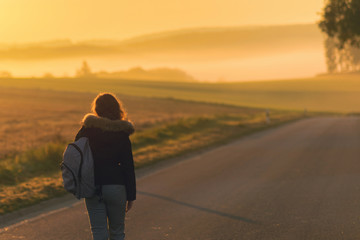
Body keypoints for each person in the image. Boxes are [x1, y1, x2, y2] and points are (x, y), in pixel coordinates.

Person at [75, 92, 136, 240]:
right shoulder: (122, 133)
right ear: (117, 109)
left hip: (92, 185)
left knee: (98, 232)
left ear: (96, 109)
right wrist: (131, 196)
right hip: (117, 186)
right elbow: (128, 165)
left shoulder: (87, 130)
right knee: (117, 232)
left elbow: (76, 151)